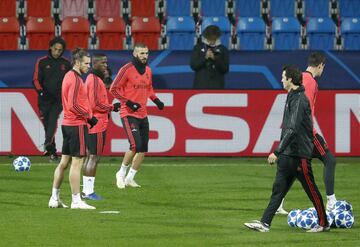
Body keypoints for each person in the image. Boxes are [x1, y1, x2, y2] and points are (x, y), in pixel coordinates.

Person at [244, 65, 329, 233]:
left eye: (283, 77)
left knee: (311, 190)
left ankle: (323, 223)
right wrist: (282, 152)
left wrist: (277, 151)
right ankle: (265, 223)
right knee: (278, 190)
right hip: (288, 154)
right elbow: (288, 129)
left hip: (299, 155)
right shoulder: (291, 96)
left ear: (290, 79)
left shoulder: (300, 99)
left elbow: (292, 129)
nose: (281, 79)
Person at [277, 52, 337, 214]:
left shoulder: (299, 77)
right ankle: (331, 202)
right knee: (330, 160)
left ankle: (279, 203)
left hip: (293, 130)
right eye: (323, 68)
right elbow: (304, 108)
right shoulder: (310, 82)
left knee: (294, 168)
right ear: (321, 66)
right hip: (306, 133)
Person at [48, 48, 98, 210]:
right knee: (77, 163)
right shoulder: (76, 79)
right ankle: (76, 200)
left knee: (64, 162)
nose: (88, 67)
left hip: (67, 124)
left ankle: (54, 198)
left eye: (89, 64)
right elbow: (73, 104)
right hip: (76, 125)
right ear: (76, 62)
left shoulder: (68, 76)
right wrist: (89, 117)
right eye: (86, 63)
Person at [110, 43, 165, 189]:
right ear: (135, 54)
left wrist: (156, 100)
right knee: (135, 145)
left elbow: (149, 89)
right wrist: (127, 102)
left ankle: (130, 177)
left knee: (143, 149)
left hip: (142, 114)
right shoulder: (126, 69)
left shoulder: (148, 70)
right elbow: (113, 89)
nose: (144, 56)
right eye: (141, 53)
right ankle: (120, 173)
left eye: (146, 53)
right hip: (128, 113)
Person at [82, 54, 121, 200]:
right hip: (97, 123)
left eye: (106, 62)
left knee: (90, 156)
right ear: (95, 63)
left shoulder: (95, 79)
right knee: (94, 157)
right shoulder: (94, 80)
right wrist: (112, 107)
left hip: (95, 122)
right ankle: (88, 192)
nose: (106, 65)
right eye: (103, 62)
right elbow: (94, 104)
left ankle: (86, 190)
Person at [33, 37, 71, 162]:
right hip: (44, 99)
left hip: (59, 99)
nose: (57, 52)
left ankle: (47, 142)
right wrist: (41, 92)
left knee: (53, 120)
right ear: (50, 48)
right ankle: (52, 153)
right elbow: (36, 80)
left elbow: (71, 80)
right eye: (55, 49)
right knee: (47, 125)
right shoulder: (42, 61)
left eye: (60, 50)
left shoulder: (66, 63)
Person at [190, 25, 229, 89]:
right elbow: (193, 66)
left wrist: (215, 58)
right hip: (200, 86)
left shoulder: (223, 49)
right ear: (206, 37)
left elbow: (225, 69)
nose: (212, 41)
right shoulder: (198, 48)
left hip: (217, 86)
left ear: (218, 37)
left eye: (214, 39)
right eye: (210, 39)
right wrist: (205, 58)